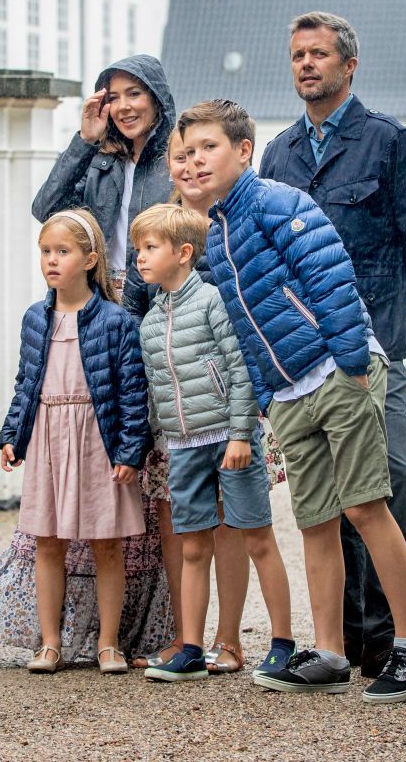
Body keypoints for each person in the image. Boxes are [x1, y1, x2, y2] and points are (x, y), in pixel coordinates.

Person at [182, 98, 406, 703]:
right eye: (186, 153)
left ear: (244, 151)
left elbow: (330, 277)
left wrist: (351, 363)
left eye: (209, 148)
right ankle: (329, 653)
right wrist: (268, 396)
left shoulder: (278, 202)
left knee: (365, 506)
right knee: (316, 521)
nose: (195, 161)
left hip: (338, 373)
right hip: (289, 393)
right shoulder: (217, 236)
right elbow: (245, 327)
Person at [258, 11, 406, 684]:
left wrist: (379, 306)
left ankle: (395, 643)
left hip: (374, 346)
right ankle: (342, 644)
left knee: (387, 480)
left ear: (349, 65)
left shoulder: (388, 141)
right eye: (297, 55)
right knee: (327, 496)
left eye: (318, 54)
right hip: (304, 354)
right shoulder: (279, 154)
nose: (306, 64)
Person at [124, 130, 287, 675]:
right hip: (183, 440)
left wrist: (241, 431)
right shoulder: (151, 316)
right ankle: (190, 645)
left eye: (148, 250)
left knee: (251, 534)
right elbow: (153, 379)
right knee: (191, 541)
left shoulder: (217, 284)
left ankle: (266, 642)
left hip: (229, 430)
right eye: (181, 157)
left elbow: (239, 365)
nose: (139, 258)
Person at [0, 209, 153, 674]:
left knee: (107, 543)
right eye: (45, 251)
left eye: (62, 251)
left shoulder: (116, 321)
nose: (51, 260)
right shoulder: (34, 318)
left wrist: (130, 451)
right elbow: (25, 382)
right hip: (48, 435)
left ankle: (108, 643)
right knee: (47, 541)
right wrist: (12, 435)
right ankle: (50, 643)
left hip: (96, 440)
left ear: (89, 259)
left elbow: (132, 392)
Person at [32, 54, 175, 294]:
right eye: (113, 98)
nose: (123, 106)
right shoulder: (99, 162)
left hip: (158, 300)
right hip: (102, 300)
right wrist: (85, 141)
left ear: (156, 98)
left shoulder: (178, 164)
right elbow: (46, 208)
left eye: (134, 94)